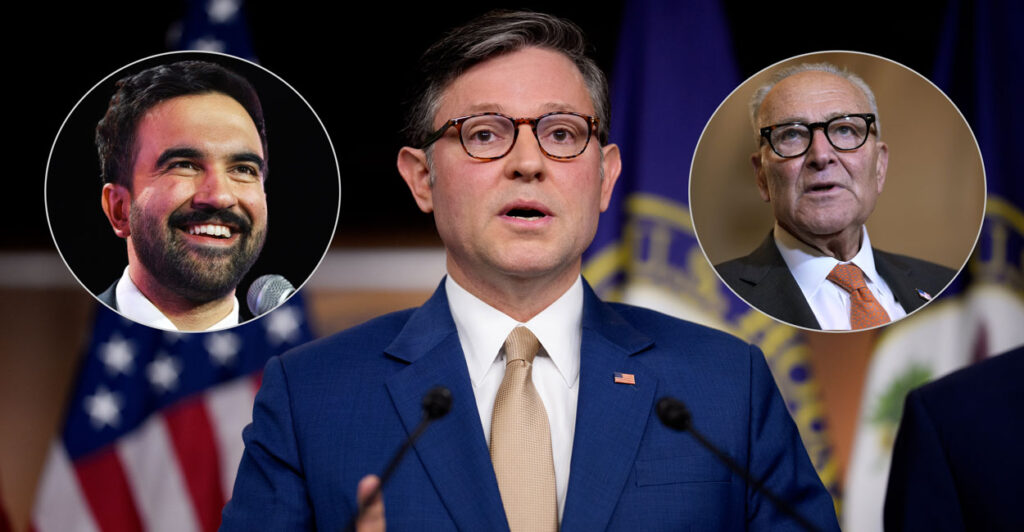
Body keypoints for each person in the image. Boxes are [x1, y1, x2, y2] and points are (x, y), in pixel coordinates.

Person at [222, 11, 838, 531]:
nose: (527, 163)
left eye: (562, 133)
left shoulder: (726, 386)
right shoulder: (312, 398)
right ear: (421, 178)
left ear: (605, 177)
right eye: (484, 134)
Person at [715, 63, 955, 331]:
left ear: (879, 166)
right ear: (762, 176)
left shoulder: (946, 287)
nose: (821, 156)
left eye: (844, 130)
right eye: (792, 134)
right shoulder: (718, 298)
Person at [95, 60, 269, 331]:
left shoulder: (287, 359)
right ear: (119, 209)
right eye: (184, 165)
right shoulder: (68, 343)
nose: (220, 197)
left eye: (243, 169)